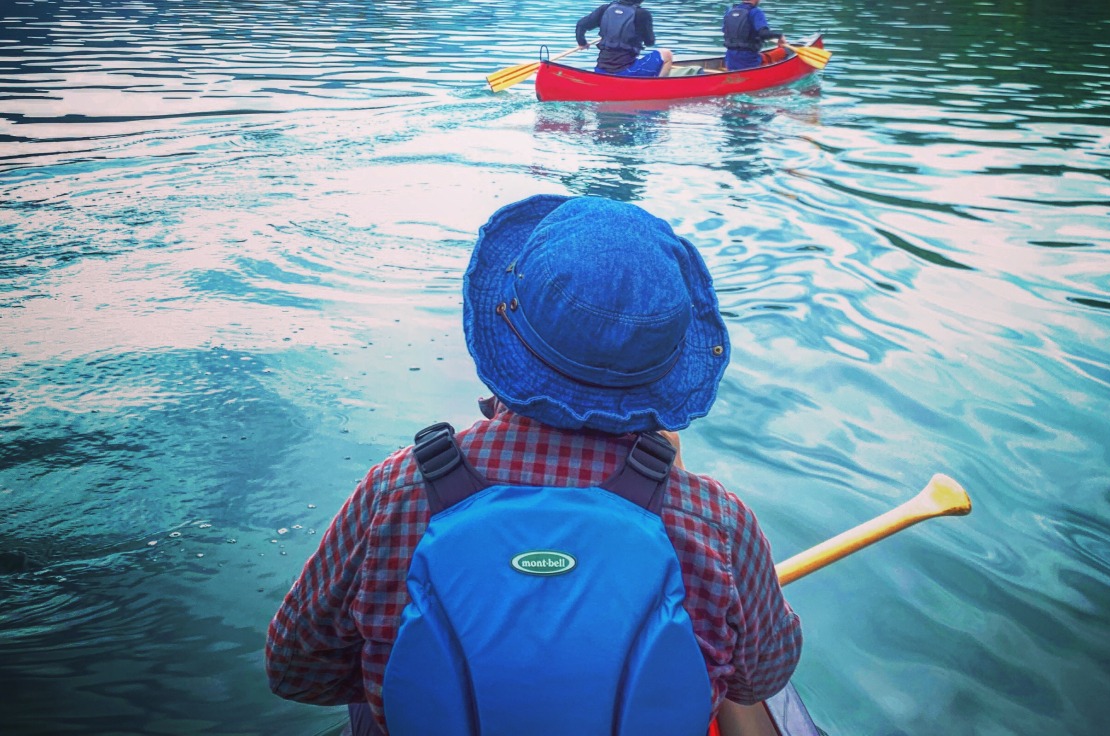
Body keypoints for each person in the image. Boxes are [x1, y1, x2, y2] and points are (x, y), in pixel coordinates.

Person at [266, 193, 801, 736]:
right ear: (664, 371)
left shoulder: (397, 490)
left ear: (505, 343)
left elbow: (295, 669)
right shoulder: (716, 519)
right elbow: (761, 678)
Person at [576, 0, 673, 77]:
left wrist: (582, 43)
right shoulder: (642, 14)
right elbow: (649, 42)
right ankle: (656, 88)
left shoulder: (605, 9)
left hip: (600, 71)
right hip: (627, 72)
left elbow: (580, 25)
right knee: (667, 54)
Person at [723, 0, 784, 71]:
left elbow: (726, 31)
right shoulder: (755, 12)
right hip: (749, 63)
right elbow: (763, 33)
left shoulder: (730, 11)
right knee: (785, 52)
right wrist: (780, 36)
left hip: (730, 62)